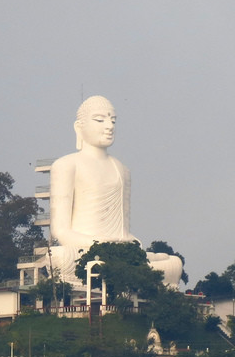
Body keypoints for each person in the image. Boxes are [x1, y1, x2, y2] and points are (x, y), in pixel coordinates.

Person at [47, 95, 182, 286]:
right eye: (100, 120)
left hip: (119, 249)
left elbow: (123, 230)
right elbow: (60, 231)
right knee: (59, 256)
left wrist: (131, 243)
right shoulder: (66, 165)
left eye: (113, 120)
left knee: (173, 263)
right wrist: (100, 244)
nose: (109, 126)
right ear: (78, 127)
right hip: (85, 250)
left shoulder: (122, 170)